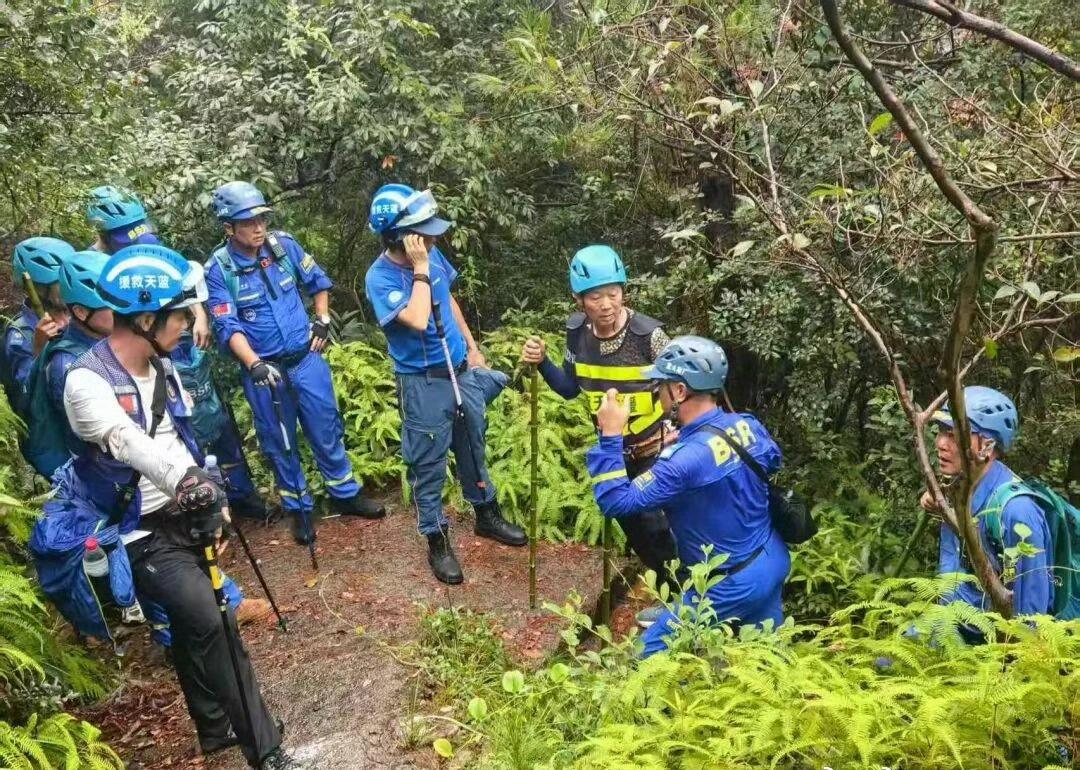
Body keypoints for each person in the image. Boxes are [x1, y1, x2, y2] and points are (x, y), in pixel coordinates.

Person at [32, 244, 305, 768]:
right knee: (214, 620)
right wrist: (189, 482)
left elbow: (174, 435)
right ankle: (266, 751)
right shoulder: (85, 381)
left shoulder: (162, 367)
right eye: (181, 314)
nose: (188, 323)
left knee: (190, 624)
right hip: (135, 530)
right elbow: (129, 442)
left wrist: (209, 493)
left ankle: (214, 728)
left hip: (182, 513)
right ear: (147, 317)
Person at [586, 336, 790, 657]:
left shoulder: (683, 461)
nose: (657, 392)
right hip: (772, 557)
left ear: (680, 391)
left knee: (650, 658)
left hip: (730, 583)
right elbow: (771, 460)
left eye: (661, 385)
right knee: (763, 660)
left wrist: (611, 435)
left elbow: (616, 502)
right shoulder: (747, 424)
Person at [205, 181, 384, 544]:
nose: (258, 227)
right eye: (248, 222)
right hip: (264, 371)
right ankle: (300, 509)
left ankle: (345, 494)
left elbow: (317, 282)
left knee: (326, 427)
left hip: (306, 359)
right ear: (228, 228)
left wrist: (322, 319)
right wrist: (254, 363)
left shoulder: (283, 246)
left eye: (262, 219)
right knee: (279, 440)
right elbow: (227, 324)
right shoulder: (219, 269)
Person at [365, 184, 525, 584]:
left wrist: (472, 347)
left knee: (473, 444)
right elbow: (419, 318)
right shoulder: (380, 277)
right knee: (428, 462)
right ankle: (437, 539)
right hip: (422, 383)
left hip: (461, 370)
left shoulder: (433, 254)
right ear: (399, 235)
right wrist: (418, 269)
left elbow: (446, 299)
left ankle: (486, 514)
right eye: (423, 230)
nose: (434, 237)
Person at [87, 185, 267, 521]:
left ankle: (239, 494)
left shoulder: (150, 245)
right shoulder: (94, 268)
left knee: (215, 421)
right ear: (104, 234)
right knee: (171, 427)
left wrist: (198, 315)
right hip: (140, 361)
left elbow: (181, 284)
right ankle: (191, 501)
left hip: (180, 351)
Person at [521, 245, 677, 590]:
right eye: (595, 297)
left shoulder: (649, 335)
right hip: (613, 453)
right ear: (579, 299)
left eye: (613, 293)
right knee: (633, 528)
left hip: (654, 450)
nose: (606, 304)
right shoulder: (577, 333)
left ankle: (687, 602)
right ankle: (670, 597)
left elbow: (682, 384)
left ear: (624, 291)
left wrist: (680, 424)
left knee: (661, 529)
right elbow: (568, 388)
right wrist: (543, 361)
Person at [923, 386, 1053, 618]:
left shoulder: (1017, 512)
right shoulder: (957, 487)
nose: (941, 443)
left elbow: (1031, 622)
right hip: (947, 628)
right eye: (941, 431)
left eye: (954, 435)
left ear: (987, 446)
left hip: (984, 645)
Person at [2, 237, 72, 414]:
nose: (70, 288)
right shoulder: (21, 334)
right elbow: (25, 397)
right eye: (61, 284)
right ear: (39, 288)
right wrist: (39, 351)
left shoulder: (77, 313)